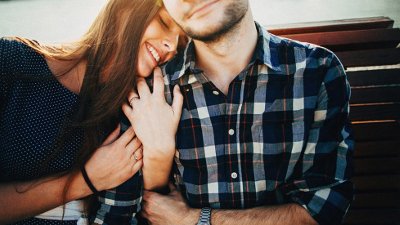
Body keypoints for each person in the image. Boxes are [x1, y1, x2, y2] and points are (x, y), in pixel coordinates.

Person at [122, 0, 354, 225]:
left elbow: (322, 210)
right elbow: (126, 213)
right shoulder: (150, 94)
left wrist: (192, 220)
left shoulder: (318, 72)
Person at [0, 0, 183, 224]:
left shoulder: (144, 112)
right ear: (124, 8)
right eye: (164, 22)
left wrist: (160, 154)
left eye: (181, 42)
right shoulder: (11, 62)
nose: (173, 47)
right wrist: (85, 181)